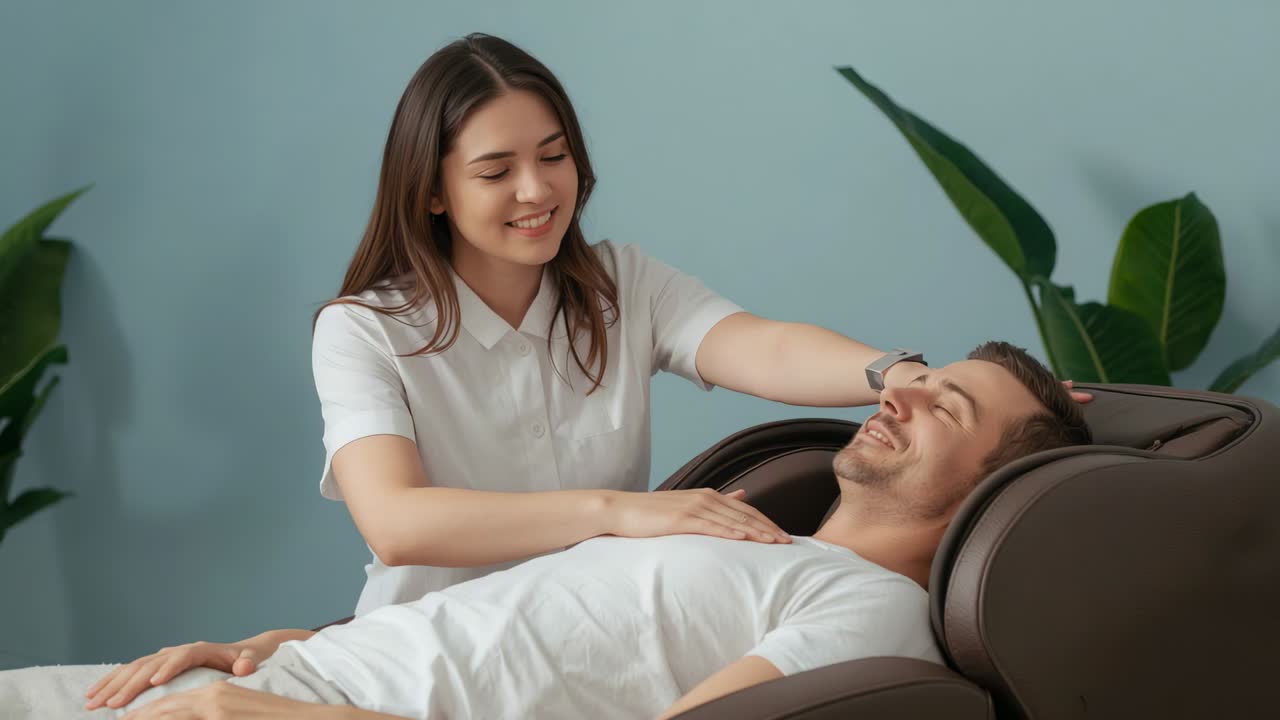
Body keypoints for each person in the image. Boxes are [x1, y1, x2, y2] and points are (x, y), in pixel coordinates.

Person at [81, 32, 1089, 712]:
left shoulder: (618, 287)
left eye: (554, 155)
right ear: (430, 191)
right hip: (409, 653)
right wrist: (620, 510)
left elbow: (760, 345)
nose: (537, 190)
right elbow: (399, 524)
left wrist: (896, 369)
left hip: (497, 677)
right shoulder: (364, 330)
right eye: (495, 170)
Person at [0, 341, 1090, 719]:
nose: (894, 395)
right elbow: (518, 637)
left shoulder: (868, 612)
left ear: (999, 493)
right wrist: (273, 650)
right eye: (909, 379)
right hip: (273, 678)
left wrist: (281, 717)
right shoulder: (748, 529)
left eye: (940, 405)